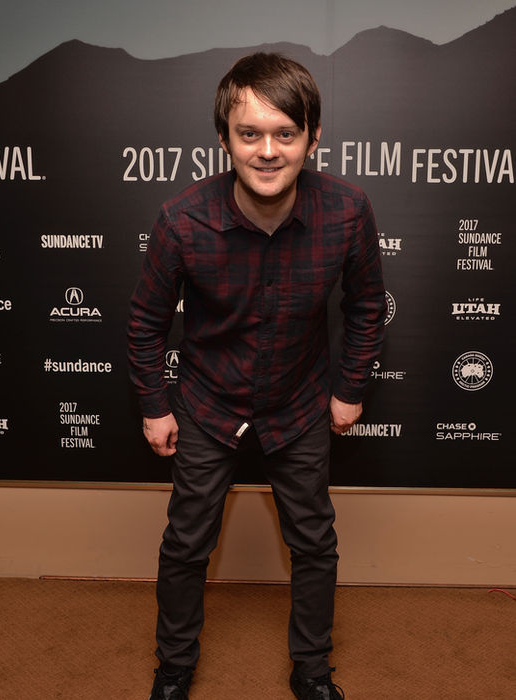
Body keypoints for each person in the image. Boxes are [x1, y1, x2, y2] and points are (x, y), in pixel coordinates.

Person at [128, 52, 386, 700]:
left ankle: (312, 670)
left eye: (284, 133)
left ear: (312, 137)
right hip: (206, 403)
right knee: (186, 543)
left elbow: (365, 308)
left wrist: (350, 389)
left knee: (314, 543)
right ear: (224, 139)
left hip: (299, 404)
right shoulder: (181, 219)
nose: (267, 151)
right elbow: (145, 323)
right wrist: (155, 406)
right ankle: (174, 666)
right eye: (249, 134)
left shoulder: (348, 211)